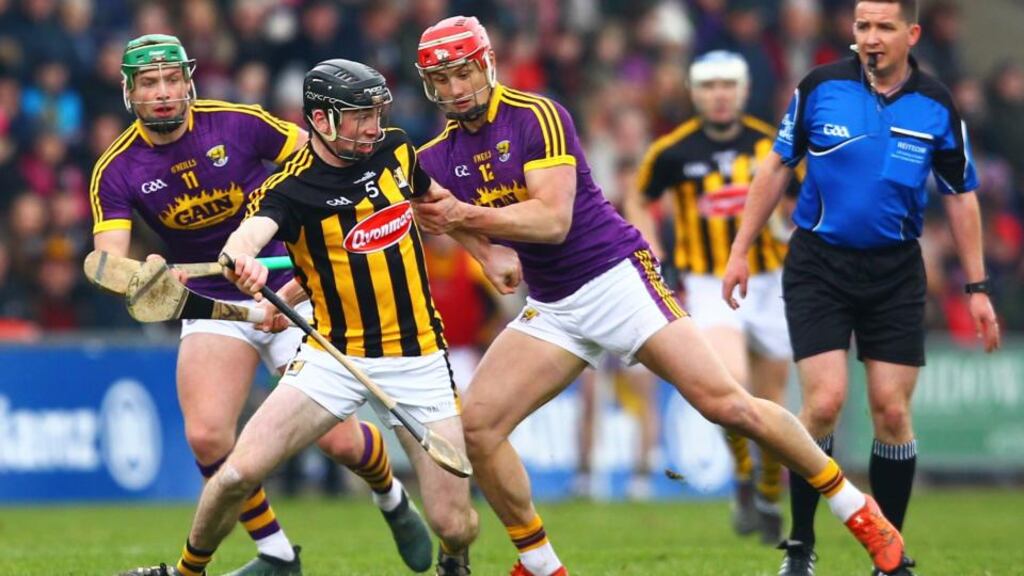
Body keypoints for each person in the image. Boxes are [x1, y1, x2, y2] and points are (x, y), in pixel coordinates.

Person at [413, 16, 910, 576]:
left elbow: (552, 220)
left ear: (487, 64)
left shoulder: (537, 116)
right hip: (554, 305)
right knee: (478, 428)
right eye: (442, 80)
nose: (455, 89)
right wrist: (484, 252)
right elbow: (431, 208)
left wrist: (465, 216)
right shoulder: (433, 156)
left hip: (614, 278)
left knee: (729, 405)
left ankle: (857, 510)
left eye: (463, 73)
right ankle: (540, 563)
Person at [117, 58, 520, 576]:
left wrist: (486, 252)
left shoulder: (396, 149)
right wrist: (242, 259)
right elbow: (251, 233)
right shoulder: (289, 189)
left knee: (454, 521)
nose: (374, 125)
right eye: (360, 116)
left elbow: (434, 203)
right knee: (235, 473)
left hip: (419, 356)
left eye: (377, 112)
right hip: (333, 355)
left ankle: (453, 558)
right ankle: (187, 571)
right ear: (323, 120)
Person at [722, 2, 1001, 574]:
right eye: (862, 27)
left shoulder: (936, 105)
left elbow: (961, 195)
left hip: (896, 271)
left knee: (892, 414)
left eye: (883, 28)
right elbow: (776, 167)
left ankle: (888, 552)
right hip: (819, 265)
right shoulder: (820, 87)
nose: (870, 39)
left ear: (911, 34)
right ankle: (800, 545)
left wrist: (977, 286)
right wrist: (740, 250)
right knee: (823, 403)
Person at [626, 50, 795, 544]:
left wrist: (794, 226)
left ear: (741, 91)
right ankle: (744, 473)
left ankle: (763, 490)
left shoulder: (772, 143)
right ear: (695, 94)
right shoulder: (672, 151)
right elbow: (638, 197)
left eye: (728, 85)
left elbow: (803, 196)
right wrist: (650, 243)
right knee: (730, 382)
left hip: (771, 281)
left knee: (772, 400)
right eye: (709, 86)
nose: (719, 94)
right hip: (709, 281)